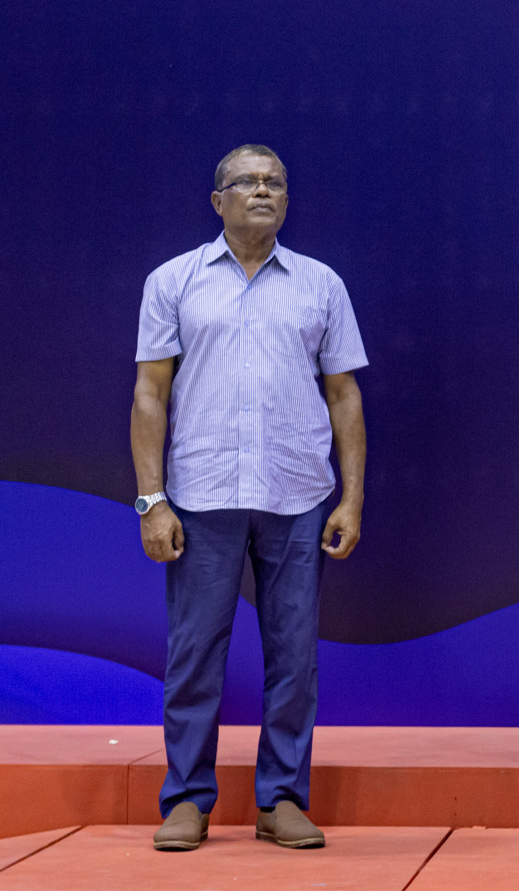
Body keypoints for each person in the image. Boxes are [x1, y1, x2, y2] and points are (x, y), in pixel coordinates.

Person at [130, 144, 367, 852]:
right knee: (194, 654)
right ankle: (187, 801)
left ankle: (282, 799)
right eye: (247, 182)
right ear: (218, 201)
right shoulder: (173, 282)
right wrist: (151, 500)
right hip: (200, 496)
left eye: (275, 184)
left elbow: (344, 394)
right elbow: (150, 392)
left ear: (287, 201)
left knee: (294, 656)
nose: (262, 192)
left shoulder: (320, 285)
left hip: (297, 496)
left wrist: (352, 498)